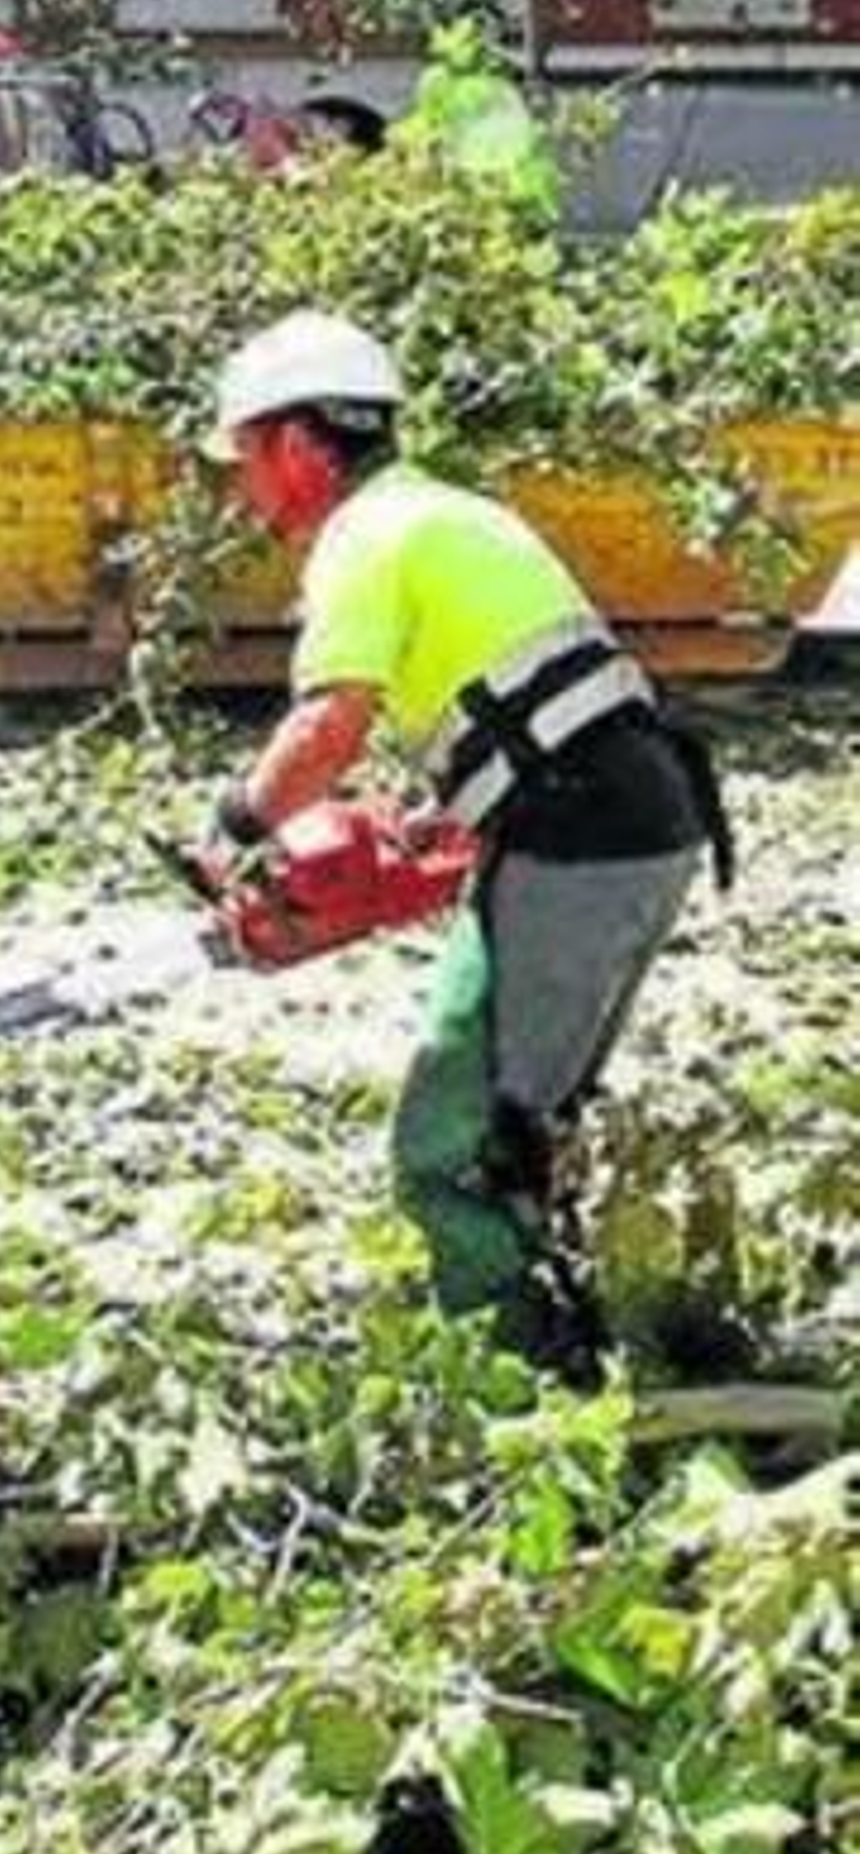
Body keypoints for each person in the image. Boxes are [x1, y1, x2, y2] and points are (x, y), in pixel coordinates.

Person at [203, 309, 731, 1368]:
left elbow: (328, 723)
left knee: (455, 1142)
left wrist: (236, 825)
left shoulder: (359, 539)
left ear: (300, 445)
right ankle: (572, 1321)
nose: (242, 489)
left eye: (247, 457)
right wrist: (432, 822)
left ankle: (516, 1384)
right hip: (638, 818)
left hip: (577, 837)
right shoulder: (447, 514)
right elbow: (522, 696)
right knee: (530, 1108)